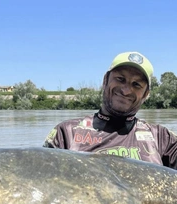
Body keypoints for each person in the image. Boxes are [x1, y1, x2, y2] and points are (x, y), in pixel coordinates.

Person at [43, 51, 177, 169]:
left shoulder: (163, 138)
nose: (126, 90)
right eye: (120, 79)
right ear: (105, 80)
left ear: (146, 93)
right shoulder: (66, 133)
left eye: (136, 84)